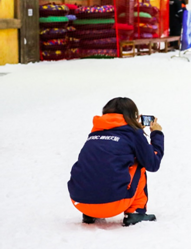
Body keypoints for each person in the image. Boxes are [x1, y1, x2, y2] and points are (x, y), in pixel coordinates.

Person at [67, 97, 165, 227]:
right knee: (139, 162)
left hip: (80, 202)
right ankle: (136, 213)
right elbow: (152, 163)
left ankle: (91, 214)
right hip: (112, 204)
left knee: (96, 162)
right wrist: (156, 133)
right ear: (133, 115)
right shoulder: (133, 134)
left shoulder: (94, 134)